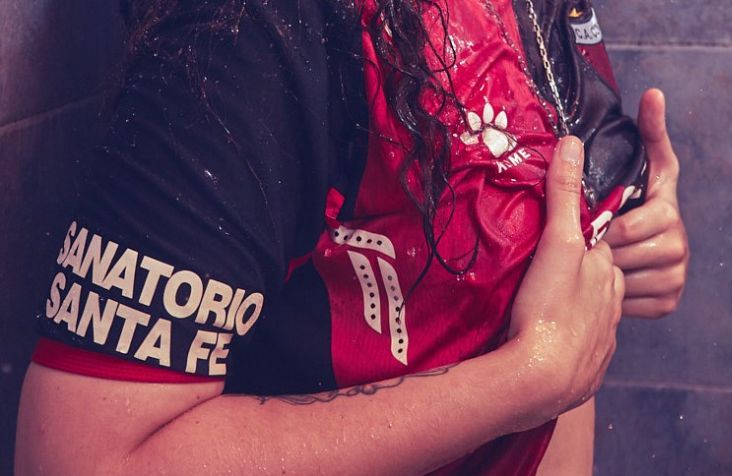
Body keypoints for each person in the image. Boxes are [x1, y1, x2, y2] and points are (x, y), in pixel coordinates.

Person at [15, 0, 688, 474]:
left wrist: (626, 237)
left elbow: (532, 213)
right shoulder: (253, 32)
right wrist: (524, 380)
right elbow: (87, 461)